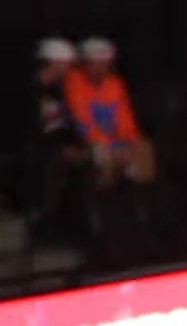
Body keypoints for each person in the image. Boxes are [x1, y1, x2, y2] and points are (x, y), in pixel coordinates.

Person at [64, 38, 154, 184]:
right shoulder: (74, 81)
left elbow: (125, 118)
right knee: (103, 154)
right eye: (95, 63)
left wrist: (130, 141)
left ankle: (136, 188)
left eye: (104, 63)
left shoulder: (115, 84)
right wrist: (110, 146)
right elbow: (81, 120)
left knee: (143, 149)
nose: (100, 68)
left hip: (112, 140)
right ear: (85, 64)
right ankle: (101, 187)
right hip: (84, 140)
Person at [31, 38, 88, 240]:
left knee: (87, 159)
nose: (69, 69)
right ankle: (44, 223)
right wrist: (63, 148)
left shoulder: (59, 90)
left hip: (58, 144)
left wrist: (77, 145)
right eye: (65, 64)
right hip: (37, 148)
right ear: (52, 63)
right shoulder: (33, 90)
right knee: (54, 162)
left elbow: (66, 124)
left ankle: (80, 224)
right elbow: (37, 130)